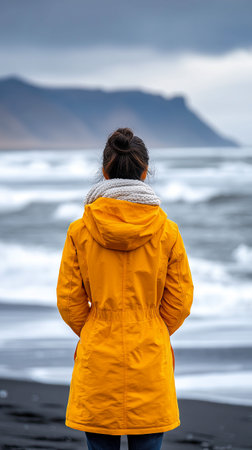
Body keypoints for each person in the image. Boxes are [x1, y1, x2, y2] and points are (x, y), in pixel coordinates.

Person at [56, 127, 194, 450]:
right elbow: (181, 301)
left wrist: (94, 329)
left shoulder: (80, 230)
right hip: (149, 358)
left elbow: (68, 300)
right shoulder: (167, 231)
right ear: (145, 171)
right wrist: (154, 329)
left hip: (98, 360)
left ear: (104, 171)